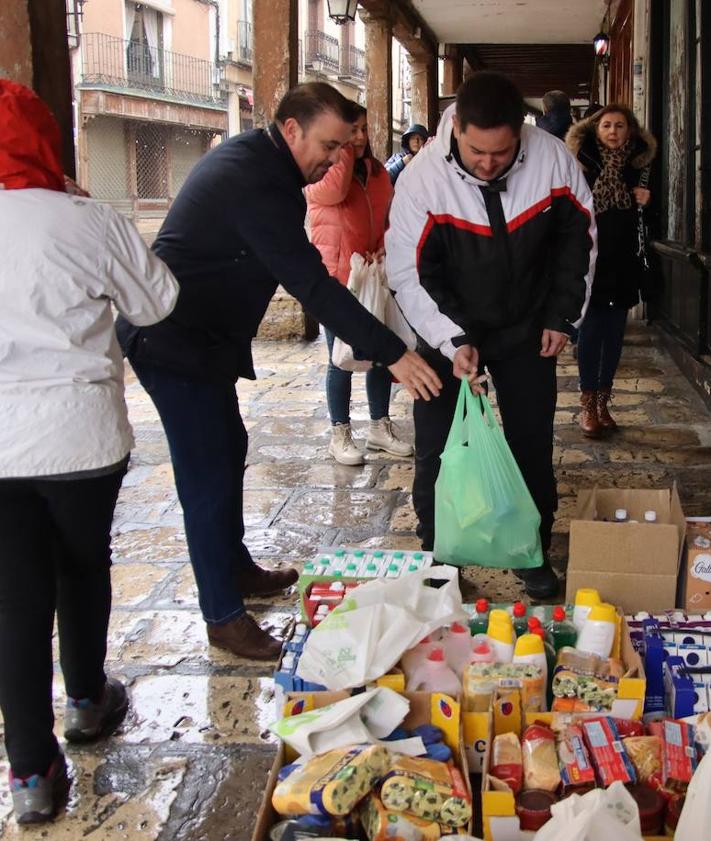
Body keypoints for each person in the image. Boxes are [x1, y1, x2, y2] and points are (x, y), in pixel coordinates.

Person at [116, 82, 441, 659]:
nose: (337, 157)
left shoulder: (271, 168)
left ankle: (236, 568)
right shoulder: (254, 180)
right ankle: (222, 615)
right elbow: (311, 284)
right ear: (290, 129)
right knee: (205, 473)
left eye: (344, 146)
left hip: (204, 342)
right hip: (170, 341)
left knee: (228, 445)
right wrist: (393, 351)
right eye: (328, 144)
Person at [0, 80, 179, 824]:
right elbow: (157, 300)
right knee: (81, 566)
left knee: (13, 600)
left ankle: (32, 774)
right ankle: (84, 699)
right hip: (80, 435)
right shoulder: (87, 219)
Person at [385, 71, 596, 599]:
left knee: (530, 441)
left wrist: (561, 317)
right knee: (438, 444)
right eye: (478, 151)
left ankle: (530, 550)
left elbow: (581, 242)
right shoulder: (421, 179)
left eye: (501, 153)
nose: (487, 163)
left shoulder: (552, 159)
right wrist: (451, 339)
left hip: (528, 327)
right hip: (446, 331)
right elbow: (408, 273)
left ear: (520, 136)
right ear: (455, 128)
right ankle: (441, 556)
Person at [306, 102, 412, 465]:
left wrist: (382, 249)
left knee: (380, 354)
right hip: (337, 279)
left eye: (364, 129)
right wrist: (344, 152)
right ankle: (340, 433)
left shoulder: (379, 173)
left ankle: (380, 427)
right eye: (352, 130)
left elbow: (389, 217)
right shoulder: (322, 172)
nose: (361, 136)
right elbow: (335, 192)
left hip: (372, 276)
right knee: (342, 358)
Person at [566, 104, 656, 436]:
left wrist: (648, 200)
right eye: (606, 125)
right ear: (596, 130)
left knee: (615, 334)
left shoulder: (640, 167)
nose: (613, 131)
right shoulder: (581, 167)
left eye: (620, 125)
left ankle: (604, 402)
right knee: (591, 332)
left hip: (623, 260)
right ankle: (587, 404)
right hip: (590, 262)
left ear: (629, 131)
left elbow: (655, 218)